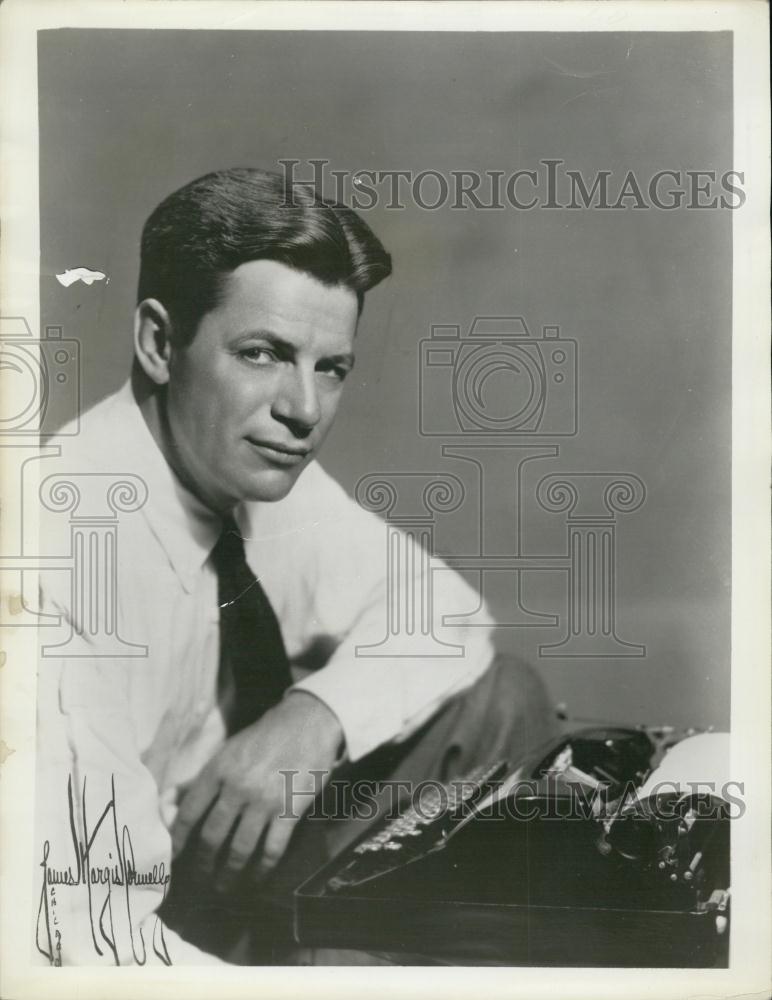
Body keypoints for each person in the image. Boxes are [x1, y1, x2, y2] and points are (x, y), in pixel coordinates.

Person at [34, 168, 555, 966]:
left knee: (498, 697)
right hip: (112, 932)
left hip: (218, 879)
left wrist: (314, 719)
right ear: (158, 343)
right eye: (263, 354)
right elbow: (92, 946)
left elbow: (445, 609)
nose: (304, 410)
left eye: (331, 367)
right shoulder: (62, 559)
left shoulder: (249, 471)